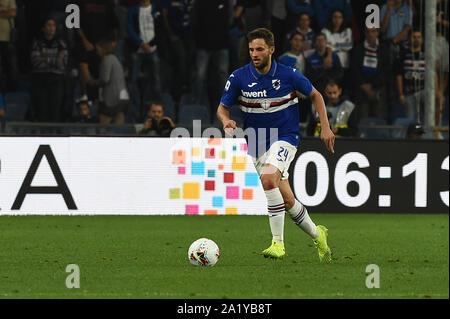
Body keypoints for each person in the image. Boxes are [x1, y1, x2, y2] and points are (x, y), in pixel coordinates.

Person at [217, 27, 334, 262]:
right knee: (288, 200)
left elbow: (316, 95)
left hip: (285, 136)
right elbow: (222, 108)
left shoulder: (289, 75)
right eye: (251, 49)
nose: (254, 54)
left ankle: (277, 244)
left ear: (271, 49)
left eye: (259, 49)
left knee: (268, 179)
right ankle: (318, 234)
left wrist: (326, 126)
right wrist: (226, 120)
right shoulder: (239, 77)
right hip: (257, 143)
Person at [127, 0, 163, 123]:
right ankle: (135, 115)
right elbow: (130, 28)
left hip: (153, 48)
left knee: (156, 81)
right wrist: (141, 43)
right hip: (137, 50)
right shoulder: (133, 10)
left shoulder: (156, 9)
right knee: (133, 82)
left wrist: (150, 44)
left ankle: (157, 112)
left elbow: (160, 29)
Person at [30, 17, 68, 123]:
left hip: (56, 79)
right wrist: (55, 59)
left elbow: (62, 64)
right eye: (48, 25)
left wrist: (45, 58)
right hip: (40, 79)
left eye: (53, 25)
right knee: (42, 111)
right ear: (43, 28)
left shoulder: (61, 43)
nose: (51, 28)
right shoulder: (37, 42)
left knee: (55, 111)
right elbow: (36, 62)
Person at [351, 26, 390, 121]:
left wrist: (373, 86)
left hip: (378, 88)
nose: (370, 34)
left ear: (377, 33)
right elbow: (354, 69)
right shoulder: (358, 49)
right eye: (368, 32)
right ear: (365, 33)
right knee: (362, 118)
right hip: (361, 88)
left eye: (373, 32)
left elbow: (386, 70)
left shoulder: (384, 49)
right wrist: (364, 86)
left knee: (379, 117)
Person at [88, 37, 130, 125]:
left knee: (104, 124)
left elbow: (105, 79)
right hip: (123, 98)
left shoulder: (106, 59)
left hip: (112, 99)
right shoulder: (115, 59)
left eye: (98, 49)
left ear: (102, 48)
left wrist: (93, 82)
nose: (97, 51)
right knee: (119, 123)